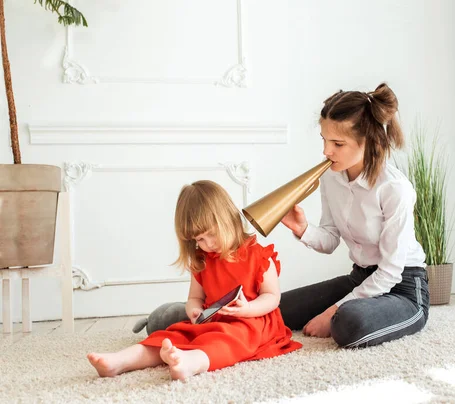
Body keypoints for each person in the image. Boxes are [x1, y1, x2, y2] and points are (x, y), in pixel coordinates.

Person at [87, 180, 301, 381]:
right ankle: (121, 361)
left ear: (228, 219)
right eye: (199, 239)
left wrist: (247, 308)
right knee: (174, 334)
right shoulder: (202, 260)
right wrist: (194, 310)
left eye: (211, 234)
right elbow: (195, 297)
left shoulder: (258, 255)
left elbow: (272, 297)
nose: (207, 244)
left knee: (228, 339)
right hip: (213, 320)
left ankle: (193, 362)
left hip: (253, 323)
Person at [280, 83, 430, 349]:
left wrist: (332, 311)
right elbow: (329, 241)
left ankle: (353, 313)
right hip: (360, 278)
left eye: (337, 143)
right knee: (278, 309)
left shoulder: (394, 188)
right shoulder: (330, 176)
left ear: (368, 142)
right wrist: (303, 228)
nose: (326, 151)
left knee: (346, 322)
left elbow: (391, 271)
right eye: (324, 140)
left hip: (403, 286)